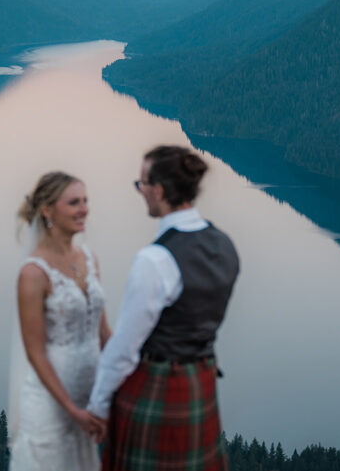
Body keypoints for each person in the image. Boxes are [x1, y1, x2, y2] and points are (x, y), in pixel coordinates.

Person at [86, 146, 240, 471]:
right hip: (201, 381)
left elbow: (125, 348)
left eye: (141, 183)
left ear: (159, 190)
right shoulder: (224, 244)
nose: (140, 191)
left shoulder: (155, 260)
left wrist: (98, 407)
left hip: (157, 387)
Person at [10, 171, 111, 471]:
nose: (84, 209)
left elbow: (103, 332)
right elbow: (35, 353)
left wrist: (117, 387)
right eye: (74, 203)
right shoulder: (33, 273)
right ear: (47, 210)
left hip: (88, 397)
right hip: (51, 405)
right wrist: (71, 409)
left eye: (85, 200)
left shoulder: (90, 259)